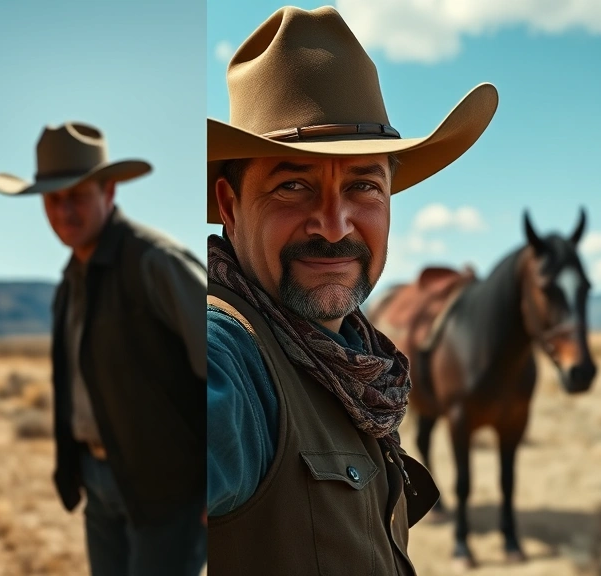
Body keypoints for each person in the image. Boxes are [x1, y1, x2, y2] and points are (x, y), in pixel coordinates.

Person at [205, 5, 498, 575]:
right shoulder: (228, 356)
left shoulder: (349, 365)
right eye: (293, 185)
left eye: (364, 184)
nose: (334, 225)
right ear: (229, 205)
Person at [0, 121, 206, 575]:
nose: (64, 210)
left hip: (169, 487)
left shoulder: (155, 261)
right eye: (53, 199)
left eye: (78, 195)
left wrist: (221, 477)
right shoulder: (71, 281)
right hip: (100, 478)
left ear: (109, 192)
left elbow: (229, 367)